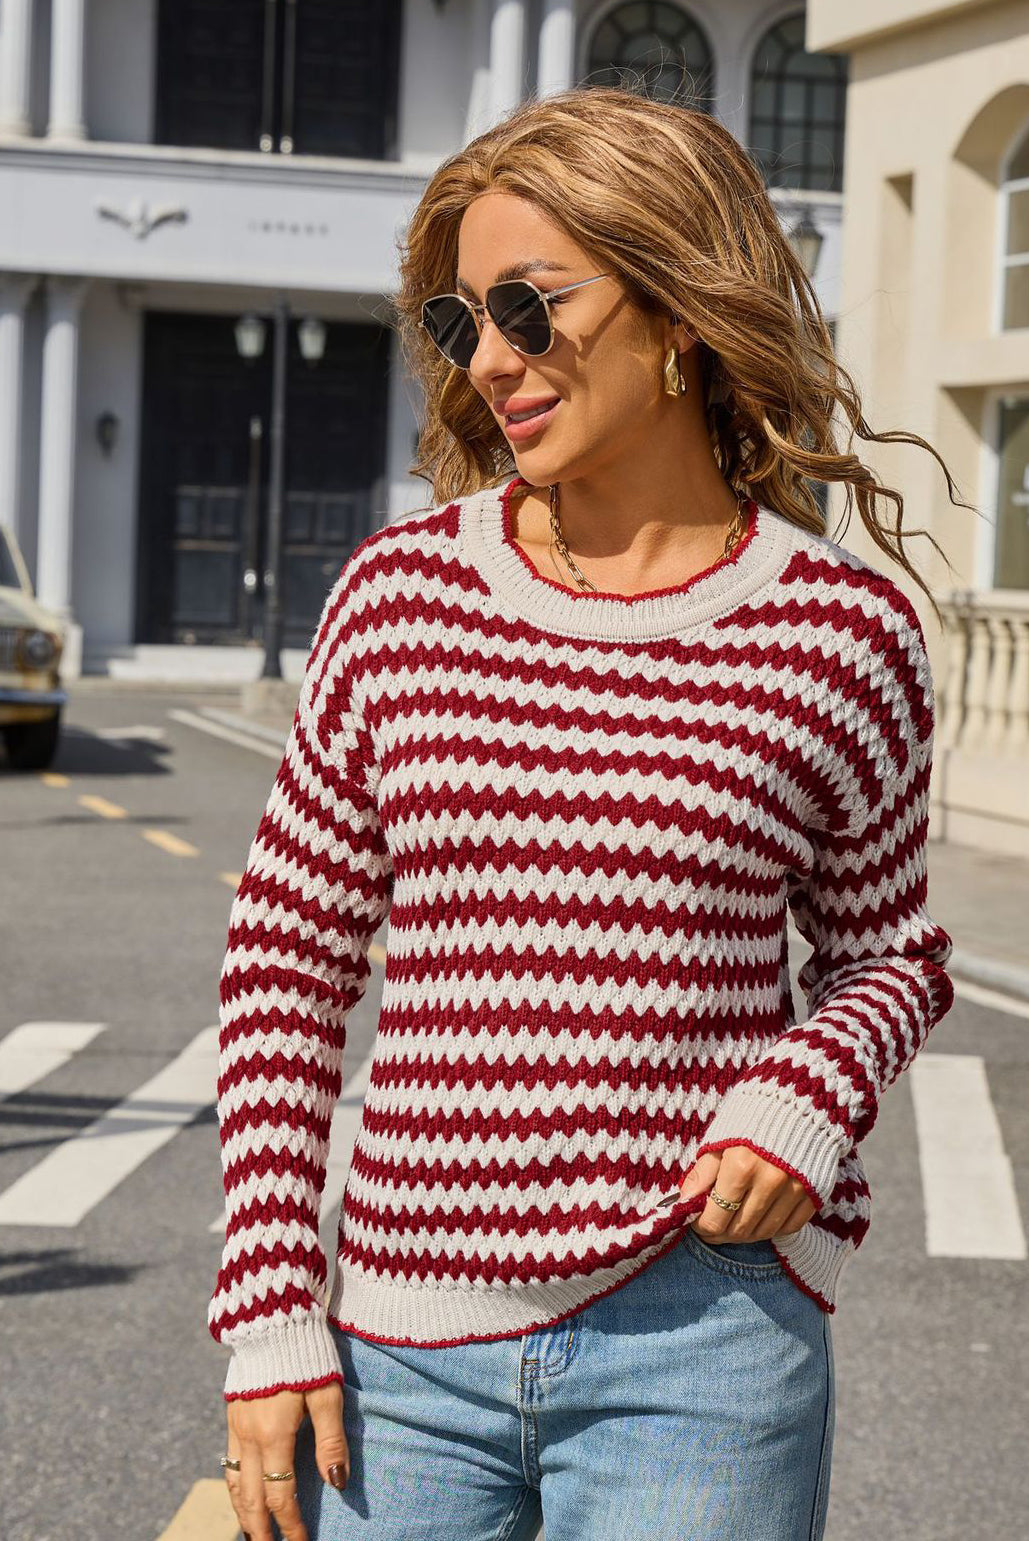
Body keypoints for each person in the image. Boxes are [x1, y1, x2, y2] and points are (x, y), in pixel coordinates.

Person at [209, 83, 964, 1541]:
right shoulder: (399, 600)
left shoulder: (838, 629)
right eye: (461, 323)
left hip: (704, 1340)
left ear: (677, 308)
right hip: (395, 1357)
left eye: (529, 307)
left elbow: (891, 955)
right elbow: (285, 963)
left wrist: (807, 1093)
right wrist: (270, 1310)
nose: (491, 359)